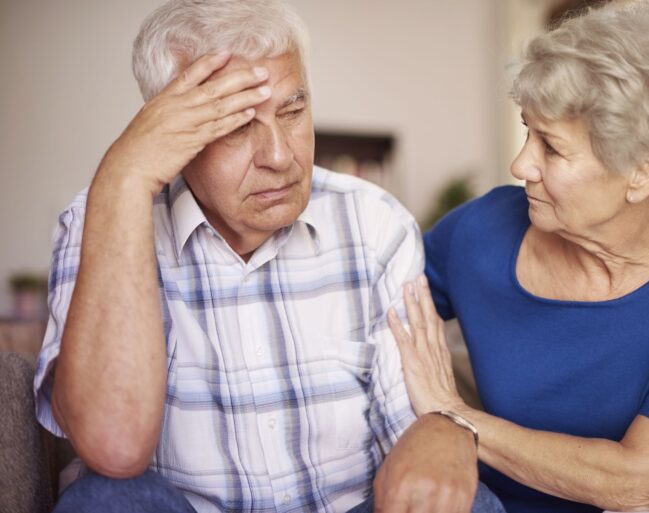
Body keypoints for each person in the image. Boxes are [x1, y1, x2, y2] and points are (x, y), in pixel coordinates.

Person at [32, 1, 505, 512]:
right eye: (236, 126)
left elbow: (412, 437)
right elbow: (113, 446)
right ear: (164, 129)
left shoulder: (374, 221)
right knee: (104, 499)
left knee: (464, 499)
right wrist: (124, 176)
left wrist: (441, 432)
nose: (280, 156)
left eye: (293, 111)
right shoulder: (100, 217)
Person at [386, 2, 649, 513]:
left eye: (552, 147)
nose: (520, 164)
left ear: (644, 172)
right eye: (528, 131)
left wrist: (454, 416)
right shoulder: (480, 230)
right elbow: (370, 310)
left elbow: (639, 481)